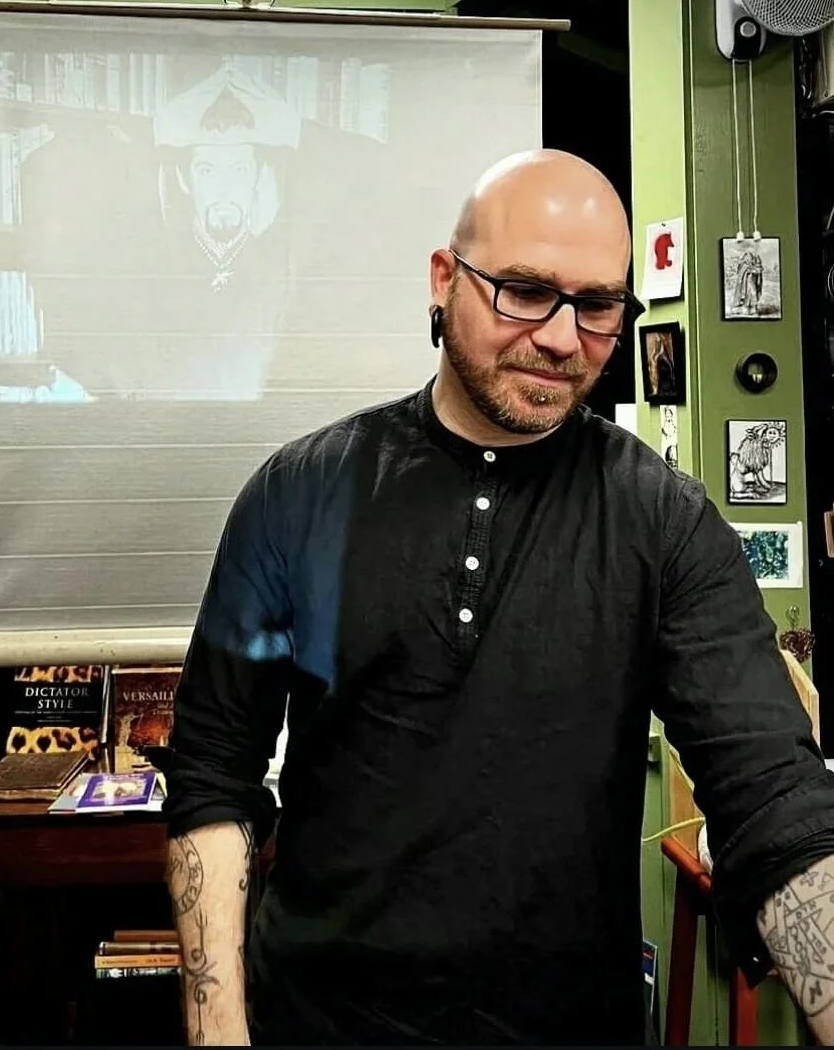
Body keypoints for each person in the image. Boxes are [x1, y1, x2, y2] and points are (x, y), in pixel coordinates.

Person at [152, 148, 834, 1045]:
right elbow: (214, 775)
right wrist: (218, 1032)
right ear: (444, 280)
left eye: (596, 306)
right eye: (523, 290)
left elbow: (775, 797)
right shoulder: (298, 492)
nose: (561, 337)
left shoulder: (662, 519)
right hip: (316, 1020)